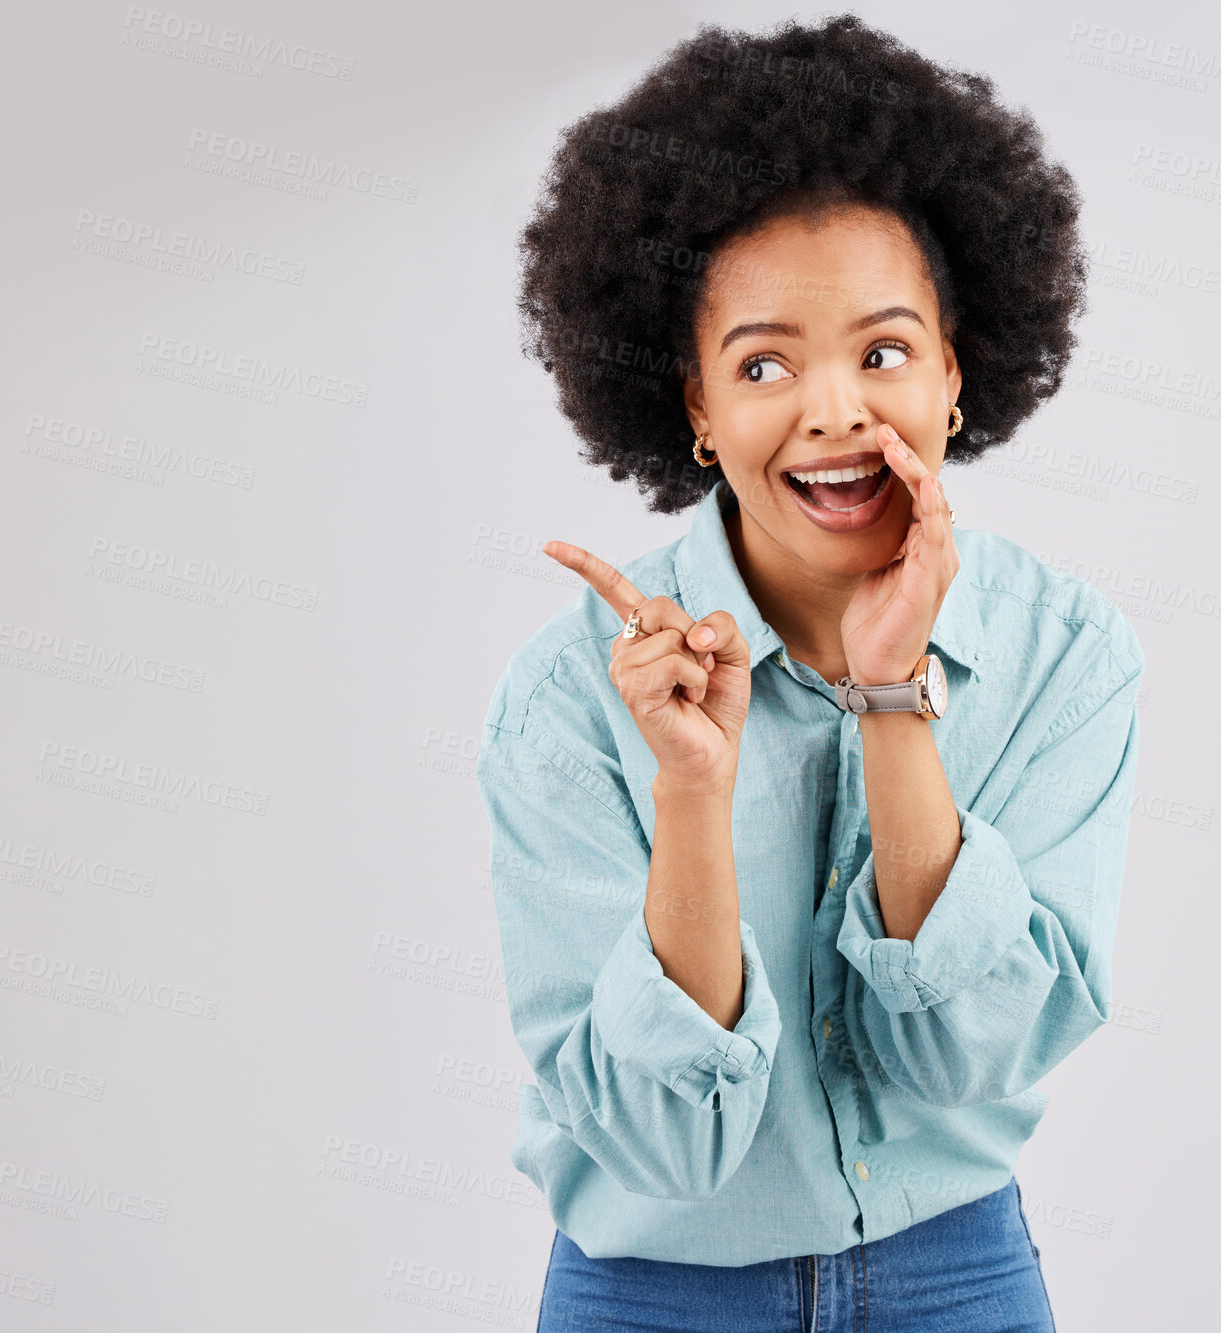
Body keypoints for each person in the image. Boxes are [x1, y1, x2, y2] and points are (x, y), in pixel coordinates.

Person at [476, 14, 1143, 1331]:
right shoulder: (569, 700)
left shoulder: (1062, 652)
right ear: (694, 407)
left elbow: (973, 1056)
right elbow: (663, 1144)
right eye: (763, 362)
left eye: (881, 351)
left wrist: (894, 699)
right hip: (650, 1292)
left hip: (953, 1271)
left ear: (956, 372)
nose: (834, 407)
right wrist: (688, 788)